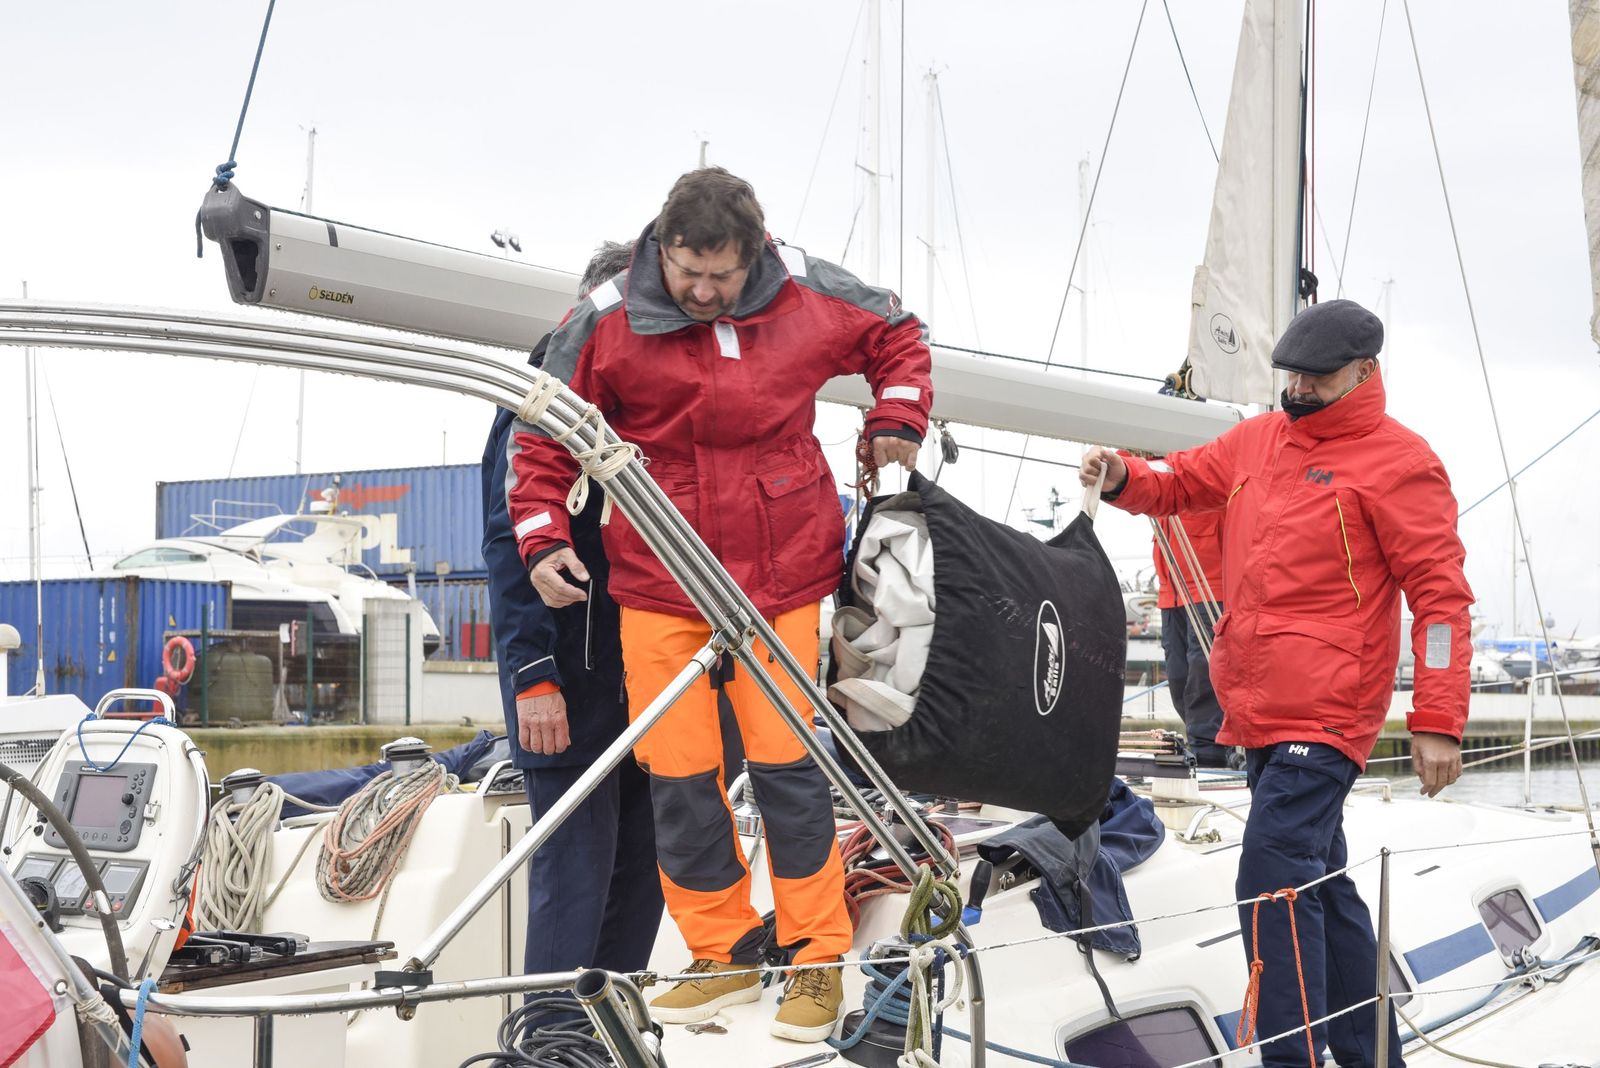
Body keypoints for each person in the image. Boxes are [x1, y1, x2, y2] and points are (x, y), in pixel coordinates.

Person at [507, 167, 931, 1042]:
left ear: (755, 254)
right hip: (660, 575)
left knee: (787, 769)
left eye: (720, 277)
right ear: (661, 246)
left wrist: (898, 415)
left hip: (781, 574)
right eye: (686, 272)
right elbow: (543, 425)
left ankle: (815, 957)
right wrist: (543, 539)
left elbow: (899, 334)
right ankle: (724, 951)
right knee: (680, 776)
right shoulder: (608, 314)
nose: (701, 292)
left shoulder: (811, 292)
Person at [1079, 298, 1470, 1068]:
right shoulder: (1259, 439)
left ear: (1364, 372)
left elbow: (1441, 600)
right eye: (1291, 375)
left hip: (1327, 714)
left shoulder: (1402, 461)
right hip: (1256, 706)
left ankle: (1293, 1059)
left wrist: (1439, 717)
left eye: (1315, 379)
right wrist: (1127, 476)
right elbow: (1182, 483)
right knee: (1319, 880)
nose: (1298, 389)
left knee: (1271, 880)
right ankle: (1370, 1051)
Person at [482, 240, 663, 980]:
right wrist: (532, 677)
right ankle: (550, 1049)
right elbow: (507, 546)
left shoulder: (646, 399)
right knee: (574, 887)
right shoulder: (536, 400)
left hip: (651, 681)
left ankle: (604, 1044)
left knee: (645, 881)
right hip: (568, 684)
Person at [1151, 507, 1230, 767]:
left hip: (1209, 584)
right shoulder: (1156, 464)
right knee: (1178, 677)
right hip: (1171, 589)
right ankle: (1203, 746)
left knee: (1203, 673)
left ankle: (1212, 755)